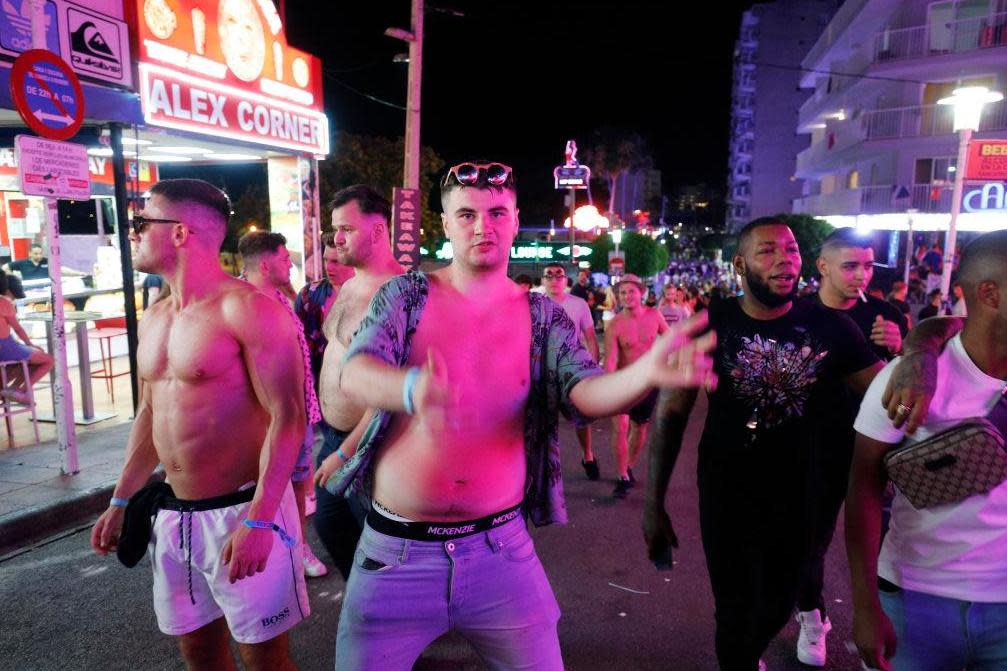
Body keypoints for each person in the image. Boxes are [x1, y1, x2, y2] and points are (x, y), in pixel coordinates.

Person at [327, 161, 716, 670]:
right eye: (465, 214)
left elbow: (585, 391)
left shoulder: (543, 316)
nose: (481, 227)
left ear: (514, 220)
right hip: (394, 556)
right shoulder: (406, 296)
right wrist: (411, 387)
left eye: (495, 213)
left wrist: (645, 373)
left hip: (501, 553)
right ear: (444, 224)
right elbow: (356, 371)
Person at [644, 217, 883, 671]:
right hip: (726, 492)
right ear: (740, 264)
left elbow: (883, 393)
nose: (784, 261)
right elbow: (670, 414)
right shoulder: (708, 326)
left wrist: (922, 350)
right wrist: (653, 504)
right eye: (768, 251)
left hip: (803, 496)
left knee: (781, 599)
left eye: (791, 251)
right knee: (732, 610)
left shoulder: (833, 327)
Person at [90, 179, 308, 670]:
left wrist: (260, 518)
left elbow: (289, 418)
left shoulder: (249, 308)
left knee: (265, 659)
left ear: (181, 233)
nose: (134, 233)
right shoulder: (156, 315)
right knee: (199, 653)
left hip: (243, 510)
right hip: (175, 516)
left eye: (142, 223)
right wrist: (121, 499)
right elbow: (150, 413)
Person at [847, 229, 1007, 671]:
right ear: (990, 293)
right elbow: (863, 487)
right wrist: (865, 607)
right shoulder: (905, 379)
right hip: (917, 599)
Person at [781, 228, 909, 665]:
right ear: (823, 267)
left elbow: (903, 383)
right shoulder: (795, 313)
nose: (861, 275)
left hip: (876, 449)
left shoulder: (886, 314)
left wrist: (901, 348)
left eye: (869, 265)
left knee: (881, 542)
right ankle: (813, 616)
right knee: (808, 541)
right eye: (851, 265)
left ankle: (880, 627)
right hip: (813, 447)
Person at [313, 185, 404, 581]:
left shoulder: (398, 293)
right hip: (333, 436)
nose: (337, 238)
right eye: (335, 229)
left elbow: (387, 391)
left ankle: (400, 623)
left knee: (382, 545)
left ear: (380, 230)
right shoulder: (350, 285)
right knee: (332, 526)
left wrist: (348, 451)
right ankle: (366, 605)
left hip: (371, 446)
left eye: (347, 228)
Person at [238, 230, 328, 579]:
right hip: (266, 422)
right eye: (283, 258)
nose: (290, 263)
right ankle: (267, 549)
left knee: (296, 489)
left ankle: (296, 549)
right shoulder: (241, 305)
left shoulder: (280, 298)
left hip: (298, 416)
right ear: (265, 263)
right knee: (263, 488)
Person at [605, 273, 668, 498]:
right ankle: (622, 475)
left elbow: (670, 340)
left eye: (631, 291)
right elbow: (611, 359)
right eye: (622, 292)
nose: (627, 296)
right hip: (622, 382)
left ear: (641, 293)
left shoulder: (654, 315)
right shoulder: (615, 324)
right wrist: (608, 383)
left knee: (639, 426)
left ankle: (628, 465)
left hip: (648, 381)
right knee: (620, 427)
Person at [540, 262, 601, 479]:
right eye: (549, 275)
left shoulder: (579, 304)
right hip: (543, 370)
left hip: (573, 369)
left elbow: (591, 338)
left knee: (582, 417)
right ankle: (547, 465)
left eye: (559, 275)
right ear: (543, 280)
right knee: (544, 421)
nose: (554, 279)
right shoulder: (535, 304)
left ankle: (588, 455)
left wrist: (592, 369)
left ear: (566, 280)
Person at [0, 269, 53, 403]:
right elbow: (17, 328)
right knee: (48, 360)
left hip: (7, 348)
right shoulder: (4, 304)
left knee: (27, 360)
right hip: (5, 347)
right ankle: (19, 391)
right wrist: (30, 344)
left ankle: (12, 389)